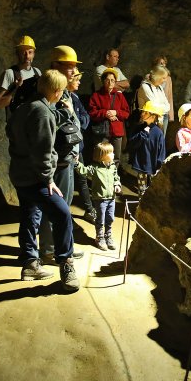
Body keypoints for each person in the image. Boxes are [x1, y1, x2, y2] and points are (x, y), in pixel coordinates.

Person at [9, 69, 81, 292]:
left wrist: (64, 115)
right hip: (35, 178)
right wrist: (48, 179)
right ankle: (66, 263)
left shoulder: (25, 107)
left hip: (20, 174)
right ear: (58, 92)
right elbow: (44, 151)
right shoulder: (42, 114)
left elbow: (39, 119)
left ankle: (30, 263)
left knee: (30, 215)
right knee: (62, 213)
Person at [38, 45, 86, 264]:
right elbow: (50, 127)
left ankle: (63, 246)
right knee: (54, 206)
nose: (73, 71)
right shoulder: (50, 92)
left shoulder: (66, 92)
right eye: (69, 67)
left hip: (68, 157)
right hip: (57, 160)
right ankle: (49, 249)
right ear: (56, 66)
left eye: (74, 67)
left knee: (64, 207)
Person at [76, 142, 121, 251]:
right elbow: (84, 171)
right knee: (100, 219)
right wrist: (77, 163)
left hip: (111, 198)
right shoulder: (95, 167)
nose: (113, 155)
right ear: (102, 155)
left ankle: (108, 236)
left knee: (110, 218)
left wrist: (117, 184)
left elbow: (116, 177)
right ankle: (99, 237)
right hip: (100, 199)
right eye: (111, 153)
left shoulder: (112, 167)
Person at [67, 70, 96, 223]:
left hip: (78, 145)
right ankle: (66, 216)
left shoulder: (75, 97)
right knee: (68, 182)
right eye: (76, 79)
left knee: (82, 178)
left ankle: (89, 209)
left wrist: (79, 124)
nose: (79, 82)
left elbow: (85, 117)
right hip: (69, 148)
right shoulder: (62, 99)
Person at [88, 68, 130, 166]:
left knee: (116, 158)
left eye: (112, 80)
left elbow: (126, 113)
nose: (110, 82)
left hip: (117, 132)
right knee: (102, 156)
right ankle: (102, 179)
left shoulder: (119, 96)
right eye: (107, 80)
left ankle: (113, 179)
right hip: (102, 132)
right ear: (103, 81)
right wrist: (105, 113)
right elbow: (92, 113)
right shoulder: (96, 96)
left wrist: (116, 112)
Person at [0, 35, 41, 120]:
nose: (27, 56)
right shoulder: (9, 74)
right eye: (23, 52)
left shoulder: (37, 72)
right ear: (17, 53)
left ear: (34, 54)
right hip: (17, 124)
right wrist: (16, 88)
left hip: (33, 121)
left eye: (30, 52)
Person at [128, 100, 167, 196]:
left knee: (152, 192)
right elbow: (132, 144)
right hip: (141, 166)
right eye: (143, 111)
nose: (142, 114)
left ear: (153, 116)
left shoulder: (158, 133)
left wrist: (159, 166)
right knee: (142, 192)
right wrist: (143, 134)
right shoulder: (139, 129)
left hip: (153, 168)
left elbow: (161, 152)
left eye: (146, 112)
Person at [137, 64, 171, 130]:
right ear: (157, 76)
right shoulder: (145, 87)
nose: (165, 80)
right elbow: (153, 106)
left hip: (158, 123)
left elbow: (168, 106)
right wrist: (161, 107)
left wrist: (160, 108)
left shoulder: (160, 88)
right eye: (163, 78)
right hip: (147, 124)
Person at [153, 55, 174, 127]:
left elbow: (170, 96)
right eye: (160, 63)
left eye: (164, 63)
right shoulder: (150, 77)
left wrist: (170, 114)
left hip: (165, 111)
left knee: (162, 136)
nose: (162, 65)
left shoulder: (168, 79)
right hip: (154, 111)